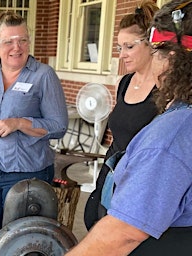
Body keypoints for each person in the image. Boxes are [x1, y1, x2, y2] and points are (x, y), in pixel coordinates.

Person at [67, 1, 192, 254]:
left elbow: (124, 233)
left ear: (171, 58)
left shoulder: (170, 136)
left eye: (155, 51)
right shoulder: (127, 85)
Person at [0, 12, 68, 253]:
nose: (16, 47)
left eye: (22, 40)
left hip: (28, 173)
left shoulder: (43, 75)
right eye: (8, 41)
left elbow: (59, 125)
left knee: (22, 238)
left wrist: (19, 123)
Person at [83, 0, 159, 230]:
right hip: (111, 172)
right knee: (93, 222)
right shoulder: (124, 83)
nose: (122, 55)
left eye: (129, 46)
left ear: (151, 44)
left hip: (139, 184)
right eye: (119, 47)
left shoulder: (166, 91)